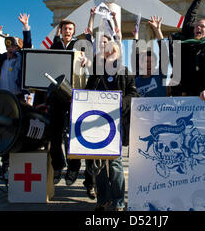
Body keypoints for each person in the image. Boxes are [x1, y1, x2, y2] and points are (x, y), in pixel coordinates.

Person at [84, 32, 139, 211]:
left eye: (108, 45)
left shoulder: (124, 72)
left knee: (115, 164)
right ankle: (103, 200)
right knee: (97, 164)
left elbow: (133, 94)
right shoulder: (95, 72)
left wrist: (121, 103)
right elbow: (86, 93)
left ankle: (118, 202)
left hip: (115, 123)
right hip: (95, 123)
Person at [47, 18, 92, 190]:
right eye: (65, 28)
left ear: (74, 31)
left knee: (74, 134)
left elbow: (90, 60)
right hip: (57, 96)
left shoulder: (79, 45)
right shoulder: (55, 45)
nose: (68, 31)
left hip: (74, 94)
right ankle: (58, 165)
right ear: (61, 30)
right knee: (54, 133)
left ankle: (74, 168)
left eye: (71, 29)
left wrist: (86, 62)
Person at [0, 13, 32, 177]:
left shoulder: (21, 57)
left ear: (18, 47)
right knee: (3, 130)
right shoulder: (2, 59)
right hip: (2, 98)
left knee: (17, 129)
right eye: (8, 46)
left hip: (17, 98)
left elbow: (28, 45)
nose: (10, 49)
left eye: (13, 46)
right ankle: (5, 165)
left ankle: (17, 161)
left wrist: (25, 26)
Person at [168, 0, 205, 101]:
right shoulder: (187, 42)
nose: (198, 27)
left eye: (202, 26)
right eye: (196, 26)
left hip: (198, 95)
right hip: (179, 93)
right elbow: (190, 18)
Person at [132, 16, 168, 97]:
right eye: (146, 62)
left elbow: (164, 54)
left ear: (155, 64)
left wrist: (157, 30)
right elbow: (135, 57)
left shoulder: (160, 76)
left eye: (151, 62)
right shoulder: (136, 81)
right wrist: (136, 37)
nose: (149, 64)